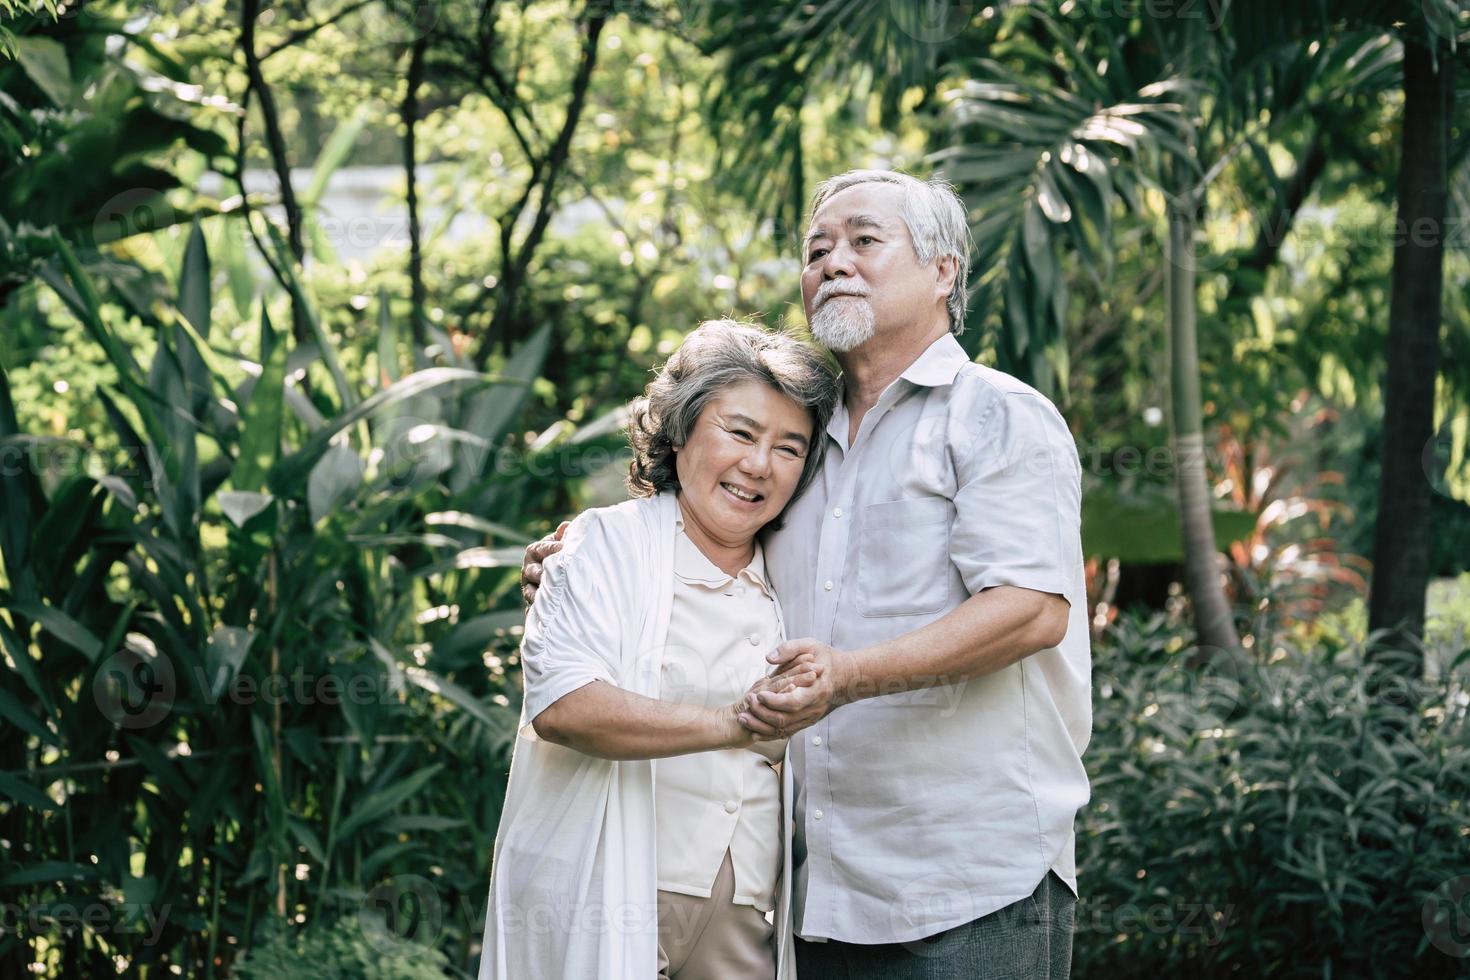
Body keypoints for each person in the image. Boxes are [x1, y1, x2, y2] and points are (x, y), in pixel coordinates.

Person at [522, 169, 1091, 979]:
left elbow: (1033, 610)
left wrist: (849, 675)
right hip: (813, 889)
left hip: (970, 876)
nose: (834, 262)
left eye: (864, 240)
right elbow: (701, 545)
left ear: (943, 271)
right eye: (816, 249)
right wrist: (581, 562)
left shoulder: (995, 413)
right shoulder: (802, 443)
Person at [479, 319, 841, 980]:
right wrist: (733, 725)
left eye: (790, 448)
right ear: (678, 430)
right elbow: (563, 704)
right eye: (740, 432)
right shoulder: (605, 547)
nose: (759, 465)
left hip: (745, 910)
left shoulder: (797, 580)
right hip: (612, 882)